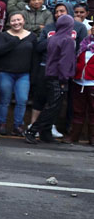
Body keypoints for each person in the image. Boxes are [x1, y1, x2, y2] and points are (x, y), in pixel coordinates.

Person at [26, 14, 77, 143]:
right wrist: (64, 79)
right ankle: (33, 130)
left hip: (49, 74)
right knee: (52, 107)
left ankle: (45, 133)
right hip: (58, 77)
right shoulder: (68, 40)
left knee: (51, 105)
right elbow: (65, 62)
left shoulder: (53, 38)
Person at [0, 13, 36, 135]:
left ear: (24, 21)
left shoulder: (32, 36)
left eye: (19, 20)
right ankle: (2, 124)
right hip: (5, 72)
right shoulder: (3, 35)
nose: (16, 23)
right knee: (4, 99)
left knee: (22, 99)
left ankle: (18, 125)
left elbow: (34, 56)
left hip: (24, 74)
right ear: (9, 23)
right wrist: (13, 41)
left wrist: (33, 74)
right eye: (13, 20)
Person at [66, 34, 94, 144]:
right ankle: (74, 136)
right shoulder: (84, 45)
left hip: (92, 83)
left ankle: (92, 138)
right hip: (78, 82)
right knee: (77, 110)